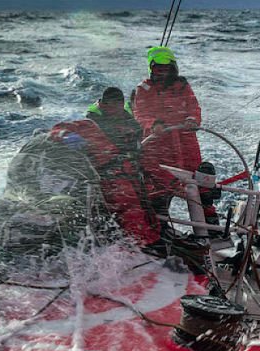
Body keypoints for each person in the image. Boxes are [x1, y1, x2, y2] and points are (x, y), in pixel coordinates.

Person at [49, 87, 159, 246]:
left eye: (117, 104)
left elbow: (145, 159)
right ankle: (137, 252)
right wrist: (65, 136)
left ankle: (150, 247)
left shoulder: (131, 127)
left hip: (133, 182)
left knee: (153, 207)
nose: (114, 108)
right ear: (103, 105)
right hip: (106, 184)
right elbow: (57, 128)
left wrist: (174, 184)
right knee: (131, 218)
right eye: (110, 104)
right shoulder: (89, 125)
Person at [132, 46, 202, 219]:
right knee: (158, 191)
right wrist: (153, 124)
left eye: (166, 69)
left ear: (173, 69)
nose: (163, 73)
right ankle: (160, 229)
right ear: (152, 70)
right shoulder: (143, 89)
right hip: (157, 148)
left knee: (200, 186)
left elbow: (194, 106)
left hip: (186, 147)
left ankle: (209, 232)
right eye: (159, 70)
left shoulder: (183, 86)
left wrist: (192, 119)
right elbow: (140, 113)